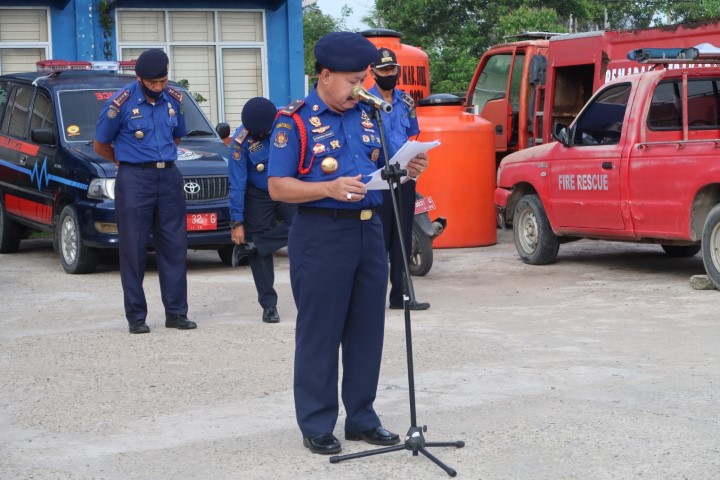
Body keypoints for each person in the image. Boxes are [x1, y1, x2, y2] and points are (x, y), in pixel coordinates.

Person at [267, 32, 429, 455]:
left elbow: (386, 168)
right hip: (322, 234)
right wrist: (328, 188)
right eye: (352, 81)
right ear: (325, 76)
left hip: (369, 231)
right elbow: (278, 186)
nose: (360, 89)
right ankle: (317, 423)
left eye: (363, 80)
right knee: (321, 332)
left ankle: (362, 417)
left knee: (366, 329)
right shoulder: (294, 121)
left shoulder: (368, 115)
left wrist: (409, 166)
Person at [94, 49, 196, 334]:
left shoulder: (174, 99)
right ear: (139, 78)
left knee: (175, 246)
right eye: (153, 83)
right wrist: (125, 162)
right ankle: (136, 317)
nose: (159, 87)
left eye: (163, 81)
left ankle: (176, 313)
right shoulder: (120, 103)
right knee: (134, 248)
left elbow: (176, 137)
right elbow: (100, 145)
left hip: (169, 177)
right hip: (135, 180)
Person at [369, 47, 430, 311]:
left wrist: (417, 159)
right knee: (378, 241)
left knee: (402, 239)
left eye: (392, 69)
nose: (388, 74)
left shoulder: (406, 101)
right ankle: (371, 299)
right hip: (378, 180)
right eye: (383, 70)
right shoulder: (364, 103)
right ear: (373, 73)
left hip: (404, 178)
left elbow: (411, 135)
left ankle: (401, 296)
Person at [228, 96, 296, 323]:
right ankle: (269, 306)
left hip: (288, 185)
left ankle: (257, 244)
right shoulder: (240, 142)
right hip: (259, 193)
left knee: (303, 227)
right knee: (258, 248)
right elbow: (237, 183)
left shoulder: (288, 121)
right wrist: (237, 222)